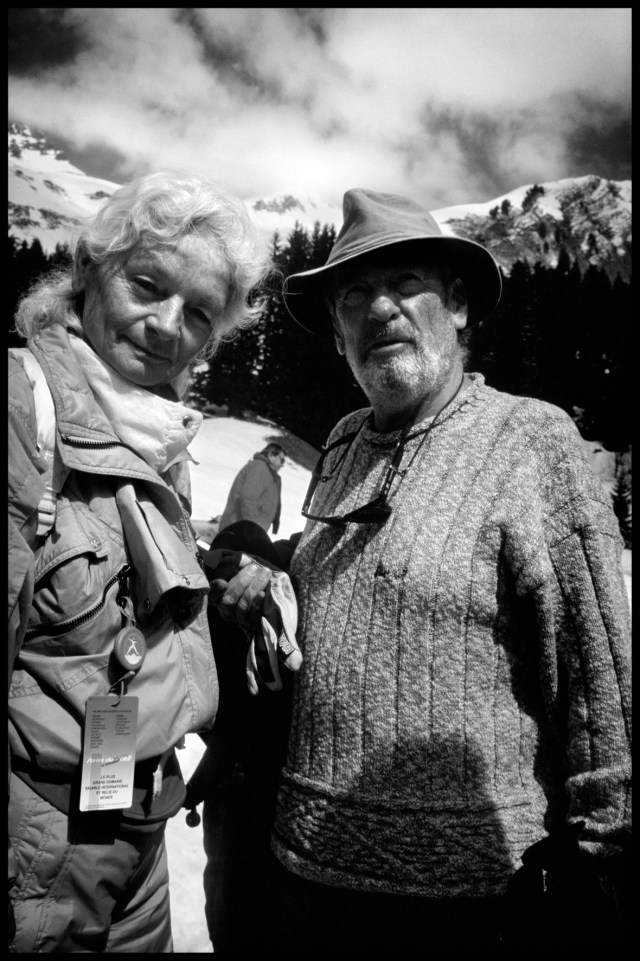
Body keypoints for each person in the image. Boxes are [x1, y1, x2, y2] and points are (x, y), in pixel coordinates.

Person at [205, 188, 631, 953]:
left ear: (458, 305)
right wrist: (266, 586)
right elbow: (354, 593)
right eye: (354, 295)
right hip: (301, 883)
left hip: (473, 905)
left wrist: (601, 863)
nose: (379, 309)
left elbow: (599, 686)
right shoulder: (342, 442)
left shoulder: (533, 442)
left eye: (405, 284)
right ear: (338, 334)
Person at [7, 170, 275, 952]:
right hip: (36, 842)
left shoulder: (157, 436)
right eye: (148, 286)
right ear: (90, 269)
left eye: (198, 313)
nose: (166, 326)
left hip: (140, 828)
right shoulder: (22, 413)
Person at [218, 443, 286, 535]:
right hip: (238, 530)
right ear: (270, 455)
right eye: (281, 460)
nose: (282, 465)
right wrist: (253, 527)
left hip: (243, 530)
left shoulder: (268, 473)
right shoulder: (260, 468)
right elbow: (247, 498)